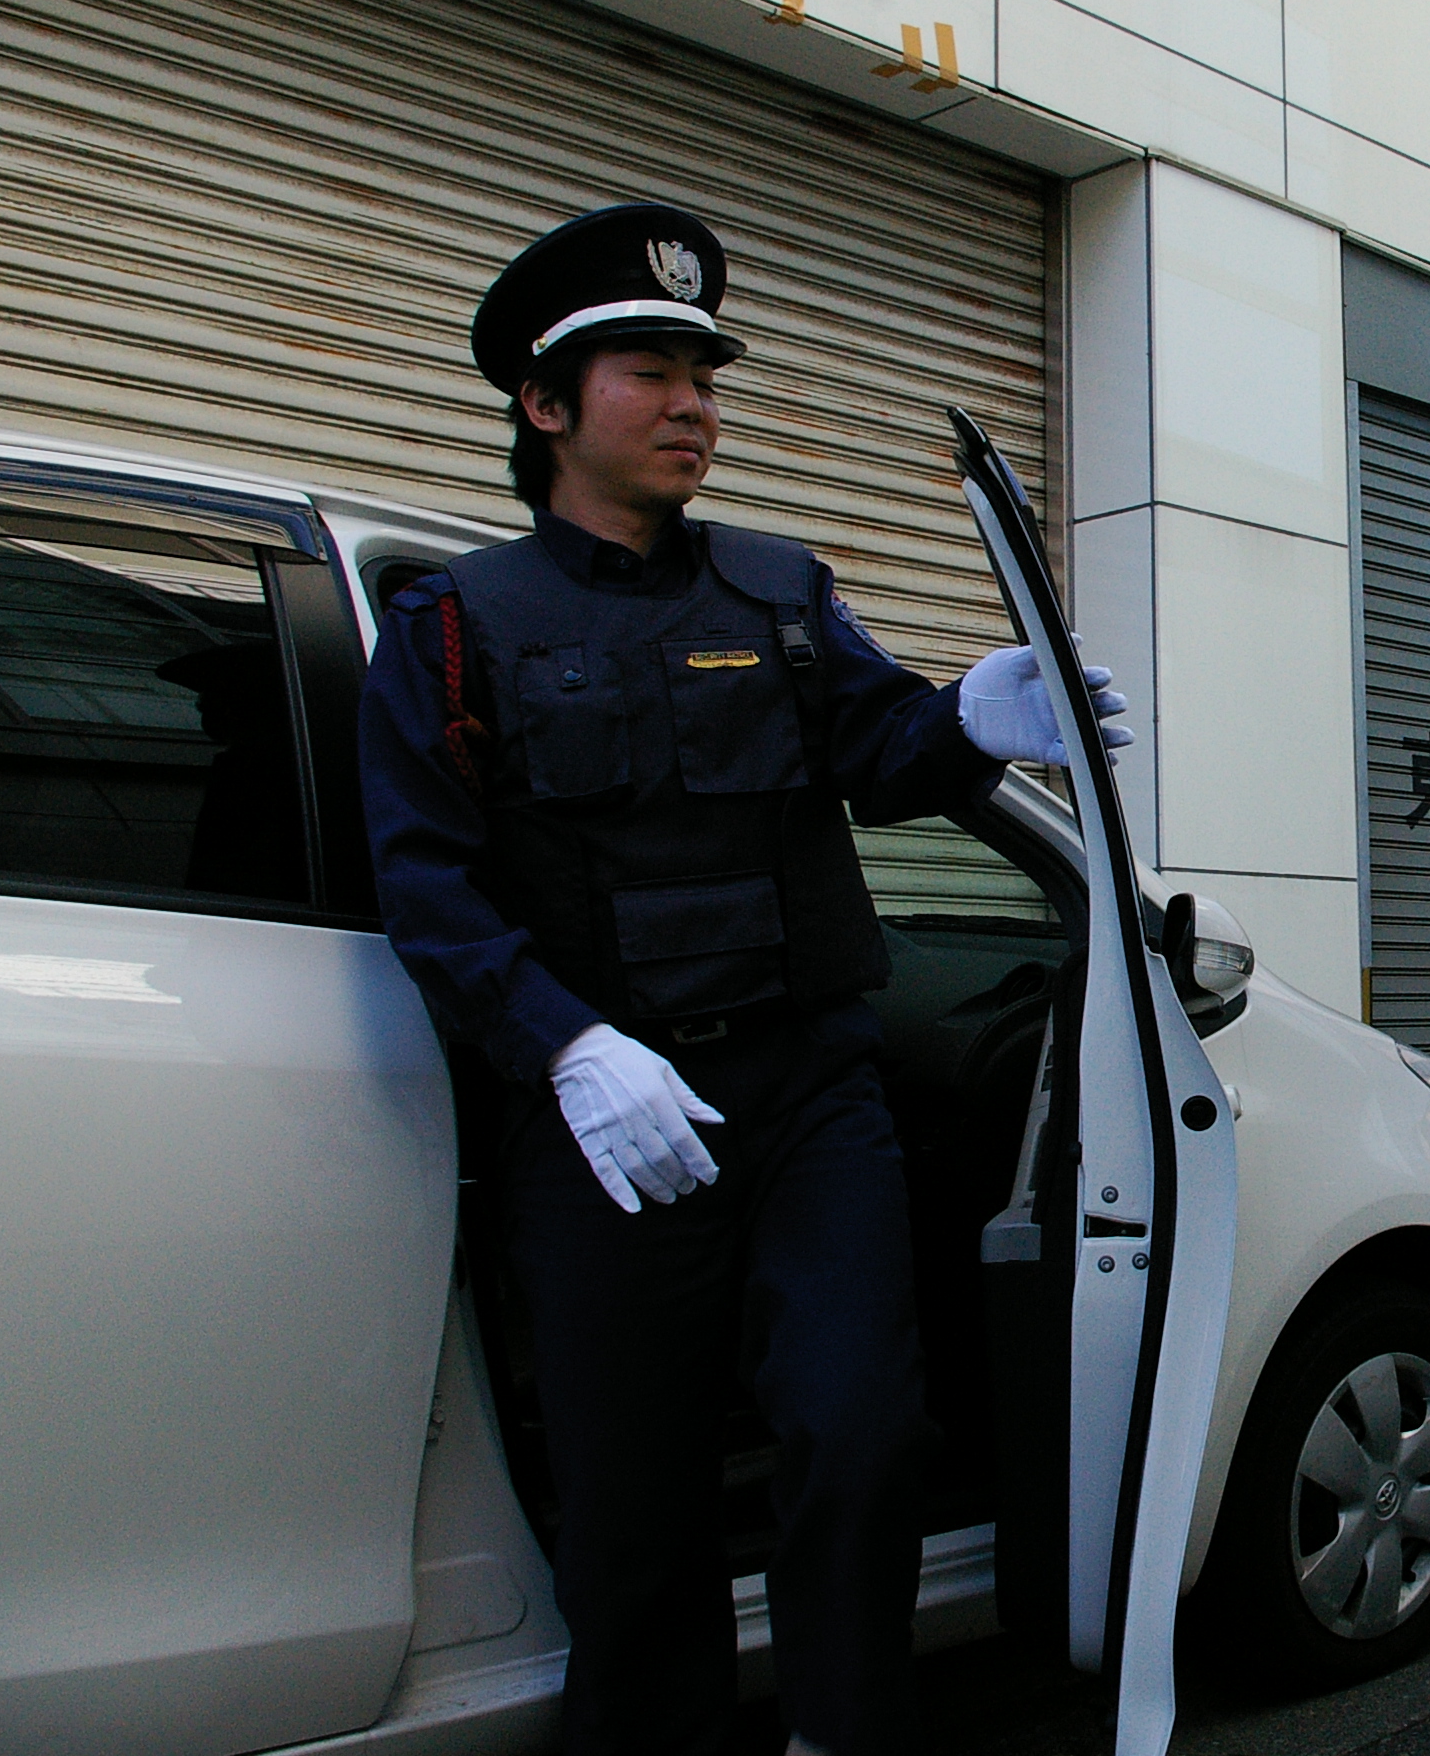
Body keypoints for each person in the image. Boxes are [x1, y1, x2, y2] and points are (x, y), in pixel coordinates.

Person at [359, 202, 1124, 1756]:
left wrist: (972, 716)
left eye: (708, 372)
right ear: (544, 405)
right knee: (633, 1508)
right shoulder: (458, 630)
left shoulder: (779, 593)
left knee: (861, 1432)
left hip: (805, 1098)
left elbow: (882, 747)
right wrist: (567, 1048)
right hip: (606, 1124)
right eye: (651, 370)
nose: (697, 402)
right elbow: (424, 885)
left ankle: (846, 1729)